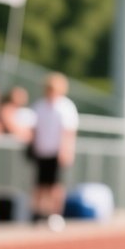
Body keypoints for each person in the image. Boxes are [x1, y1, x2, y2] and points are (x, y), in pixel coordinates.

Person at [29, 73, 79, 230]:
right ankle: (37, 213)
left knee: (55, 185)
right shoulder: (39, 106)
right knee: (40, 184)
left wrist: (67, 150)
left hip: (57, 151)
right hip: (42, 150)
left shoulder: (65, 107)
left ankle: (55, 214)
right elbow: (33, 128)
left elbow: (68, 132)